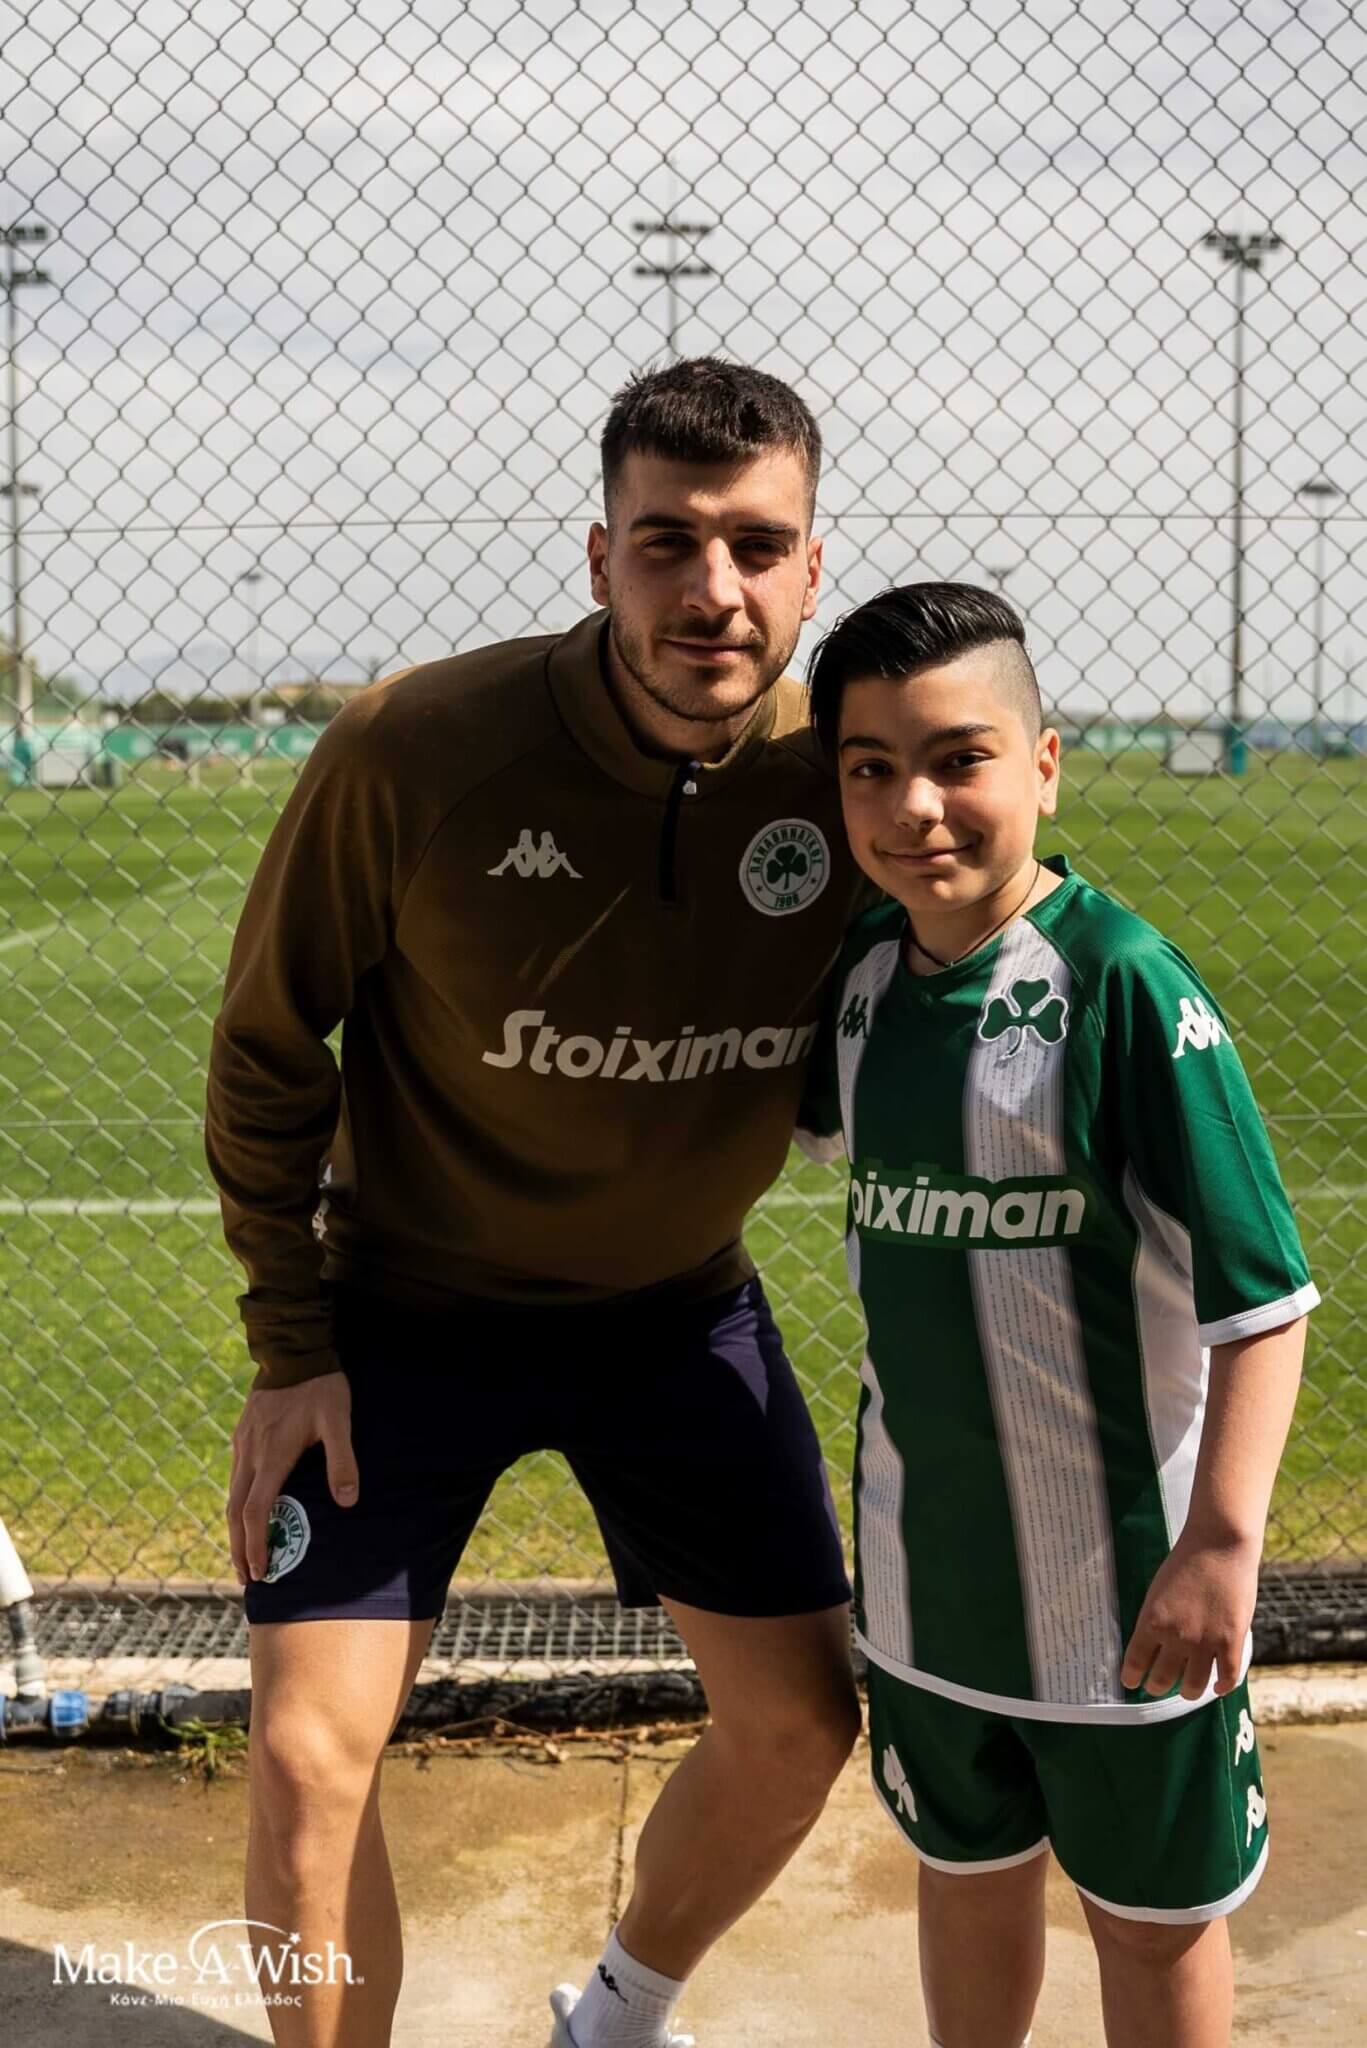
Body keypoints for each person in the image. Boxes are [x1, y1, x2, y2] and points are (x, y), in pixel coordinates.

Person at [205, 358, 867, 2048]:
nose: (712, 589)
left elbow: (996, 912)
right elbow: (269, 1045)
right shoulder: (417, 748)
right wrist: (291, 1347)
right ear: (598, 558)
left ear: (812, 567)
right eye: (666, 543)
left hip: (676, 1316)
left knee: (803, 1726)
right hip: (402, 1321)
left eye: (756, 545)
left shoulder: (848, 774)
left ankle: (620, 2015)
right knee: (305, 1764)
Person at [796, 582, 1318, 2048]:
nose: (916, 807)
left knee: (1150, 1932)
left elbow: (1265, 1302)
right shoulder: (861, 983)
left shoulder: (1122, 985)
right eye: (871, 768)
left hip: (1130, 1605)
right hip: (924, 1582)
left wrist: (1222, 1546)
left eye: (960, 758)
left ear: (1044, 763)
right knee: (964, 1882)